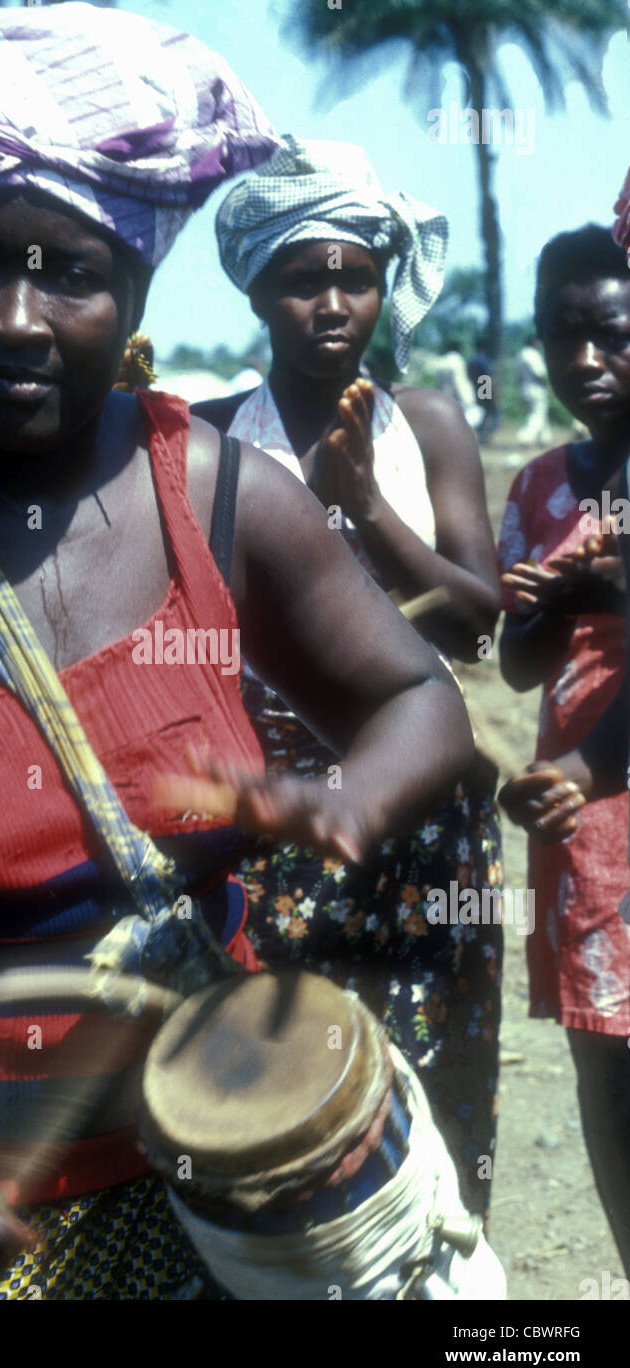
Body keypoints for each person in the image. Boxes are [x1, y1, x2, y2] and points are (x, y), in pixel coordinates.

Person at [0, 4, 475, 1302]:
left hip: (208, 1188)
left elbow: (419, 695)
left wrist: (347, 800)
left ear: (138, 285)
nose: (17, 317)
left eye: (70, 272)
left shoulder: (219, 493)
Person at [194, 137, 503, 1220]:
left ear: (382, 282)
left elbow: (476, 633)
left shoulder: (427, 423)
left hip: (425, 821)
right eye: (301, 278)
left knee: (439, 1118)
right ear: (257, 292)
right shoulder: (210, 442)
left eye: (355, 275)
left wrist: (363, 507)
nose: (332, 302)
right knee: (289, 1128)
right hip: (280, 830)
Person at [498, 224, 630, 1274]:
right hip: (584, 822)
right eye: (561, 338)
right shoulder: (541, 486)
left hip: (594, 778)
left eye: (611, 335)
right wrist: (557, 598)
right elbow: (513, 666)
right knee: (606, 1060)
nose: (585, 361)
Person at [435, 339, 484, 432]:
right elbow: (460, 382)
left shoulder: (442, 361)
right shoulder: (458, 360)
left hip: (443, 397)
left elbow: (438, 383)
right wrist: (469, 399)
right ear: (458, 349)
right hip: (458, 398)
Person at [516, 333, 552, 448]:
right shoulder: (533, 354)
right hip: (536, 388)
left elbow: (518, 376)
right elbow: (539, 374)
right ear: (534, 342)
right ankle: (525, 437)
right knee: (538, 414)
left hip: (525, 387)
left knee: (541, 413)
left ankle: (545, 439)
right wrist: (546, 386)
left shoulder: (521, 354)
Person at [467, 338, 500, 446]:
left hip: (476, 387)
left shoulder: (472, 360)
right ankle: (485, 433)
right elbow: (487, 377)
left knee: (483, 412)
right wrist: (493, 392)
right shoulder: (483, 360)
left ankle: (482, 433)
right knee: (495, 413)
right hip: (485, 387)